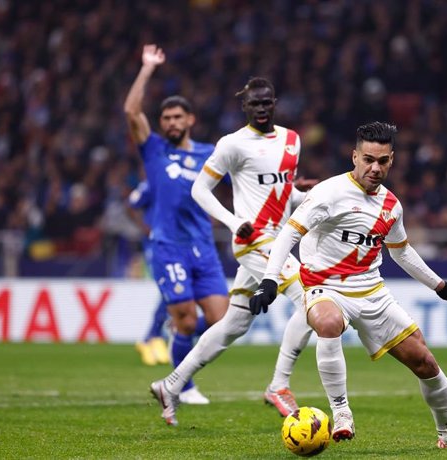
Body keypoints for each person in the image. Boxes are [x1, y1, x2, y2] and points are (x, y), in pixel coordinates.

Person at [249, 122, 447, 449]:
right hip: (325, 287)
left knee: (426, 364)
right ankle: (341, 412)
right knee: (328, 323)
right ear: (354, 157)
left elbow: (402, 252)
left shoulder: (391, 206)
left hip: (373, 293)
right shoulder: (328, 194)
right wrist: (268, 281)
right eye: (368, 159)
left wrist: (442, 288)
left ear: (392, 160)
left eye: (383, 161)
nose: (375, 168)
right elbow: (288, 234)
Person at [150, 77, 315, 425]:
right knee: (311, 301)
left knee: (233, 325)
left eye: (266, 102)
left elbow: (281, 197)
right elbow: (200, 189)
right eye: (254, 103)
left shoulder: (291, 140)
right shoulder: (232, 144)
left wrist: (302, 196)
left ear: (274, 103)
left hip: (277, 238)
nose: (260, 108)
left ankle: (171, 384)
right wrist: (232, 220)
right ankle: (279, 385)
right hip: (253, 240)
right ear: (245, 106)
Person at [124, 44, 230, 403]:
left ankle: (177, 335)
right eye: (166, 118)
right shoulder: (153, 149)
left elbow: (243, 181)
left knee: (222, 322)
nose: (170, 123)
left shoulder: (208, 154)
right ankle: (182, 383)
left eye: (176, 118)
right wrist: (147, 69)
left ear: (190, 120)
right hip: (169, 246)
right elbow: (131, 110)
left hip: (203, 247)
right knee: (186, 319)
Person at [128, 181, 171, 367]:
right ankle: (152, 337)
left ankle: (153, 337)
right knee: (168, 290)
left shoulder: (174, 179)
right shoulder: (150, 184)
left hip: (173, 243)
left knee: (170, 291)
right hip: (154, 245)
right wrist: (145, 227)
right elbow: (130, 205)